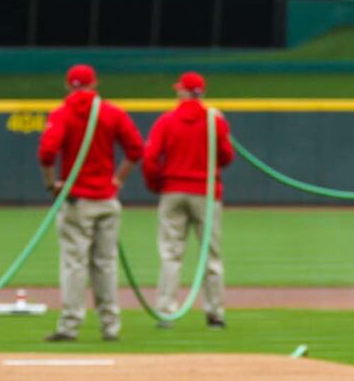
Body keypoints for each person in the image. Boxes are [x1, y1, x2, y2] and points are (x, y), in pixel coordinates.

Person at [39, 64, 144, 343]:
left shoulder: (62, 113)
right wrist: (118, 180)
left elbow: (47, 152)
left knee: (74, 264)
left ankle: (70, 325)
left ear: (67, 86)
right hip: (106, 199)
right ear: (95, 84)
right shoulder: (112, 112)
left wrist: (52, 184)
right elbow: (136, 149)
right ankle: (110, 326)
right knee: (106, 264)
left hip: (77, 200)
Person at [142, 72, 235, 329]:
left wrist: (156, 185)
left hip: (173, 191)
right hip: (205, 193)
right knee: (211, 256)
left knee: (171, 254)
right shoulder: (214, 122)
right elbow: (227, 156)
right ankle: (215, 313)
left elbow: (149, 158)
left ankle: (166, 311)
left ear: (183, 92)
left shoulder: (166, 121)